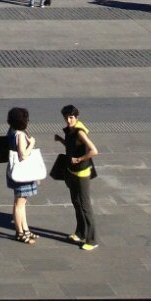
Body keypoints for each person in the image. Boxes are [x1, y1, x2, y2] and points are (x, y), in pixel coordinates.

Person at [54, 106, 98, 250]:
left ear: (76, 117)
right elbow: (72, 146)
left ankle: (92, 240)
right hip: (71, 171)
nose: (68, 120)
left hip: (81, 173)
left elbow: (94, 151)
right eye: (66, 118)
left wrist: (79, 159)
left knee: (85, 206)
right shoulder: (69, 130)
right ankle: (80, 232)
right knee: (76, 202)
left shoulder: (80, 132)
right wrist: (61, 140)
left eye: (71, 117)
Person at [2, 106, 44, 243]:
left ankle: (25, 229)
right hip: (23, 174)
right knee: (19, 203)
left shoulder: (12, 131)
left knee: (21, 202)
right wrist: (32, 143)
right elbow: (24, 155)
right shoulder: (19, 134)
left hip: (16, 171)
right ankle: (20, 232)